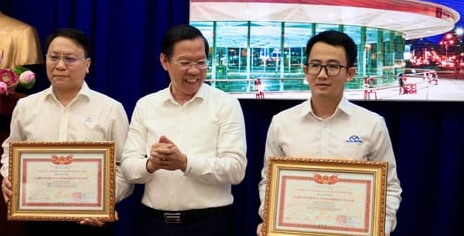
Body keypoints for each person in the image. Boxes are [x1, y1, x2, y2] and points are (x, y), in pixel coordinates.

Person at [256, 30, 402, 236]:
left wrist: (380, 228)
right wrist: (270, 217)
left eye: (333, 66)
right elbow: (269, 182)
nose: (322, 74)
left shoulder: (372, 124)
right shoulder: (282, 123)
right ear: (306, 70)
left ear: (350, 73)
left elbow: (390, 187)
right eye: (315, 65)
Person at [0, 28, 133, 236]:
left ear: (87, 65)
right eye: (54, 57)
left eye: (70, 59)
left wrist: (104, 202)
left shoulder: (110, 109)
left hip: (91, 223)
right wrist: (10, 179)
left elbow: (125, 166)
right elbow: (10, 152)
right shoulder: (26, 107)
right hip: (38, 220)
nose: (60, 65)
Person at [121, 24, 247, 236]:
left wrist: (185, 163)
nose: (194, 70)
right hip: (154, 223)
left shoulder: (226, 104)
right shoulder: (146, 105)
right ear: (164, 61)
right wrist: (151, 164)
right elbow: (127, 167)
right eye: (185, 62)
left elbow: (235, 169)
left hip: (210, 223)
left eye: (201, 62)